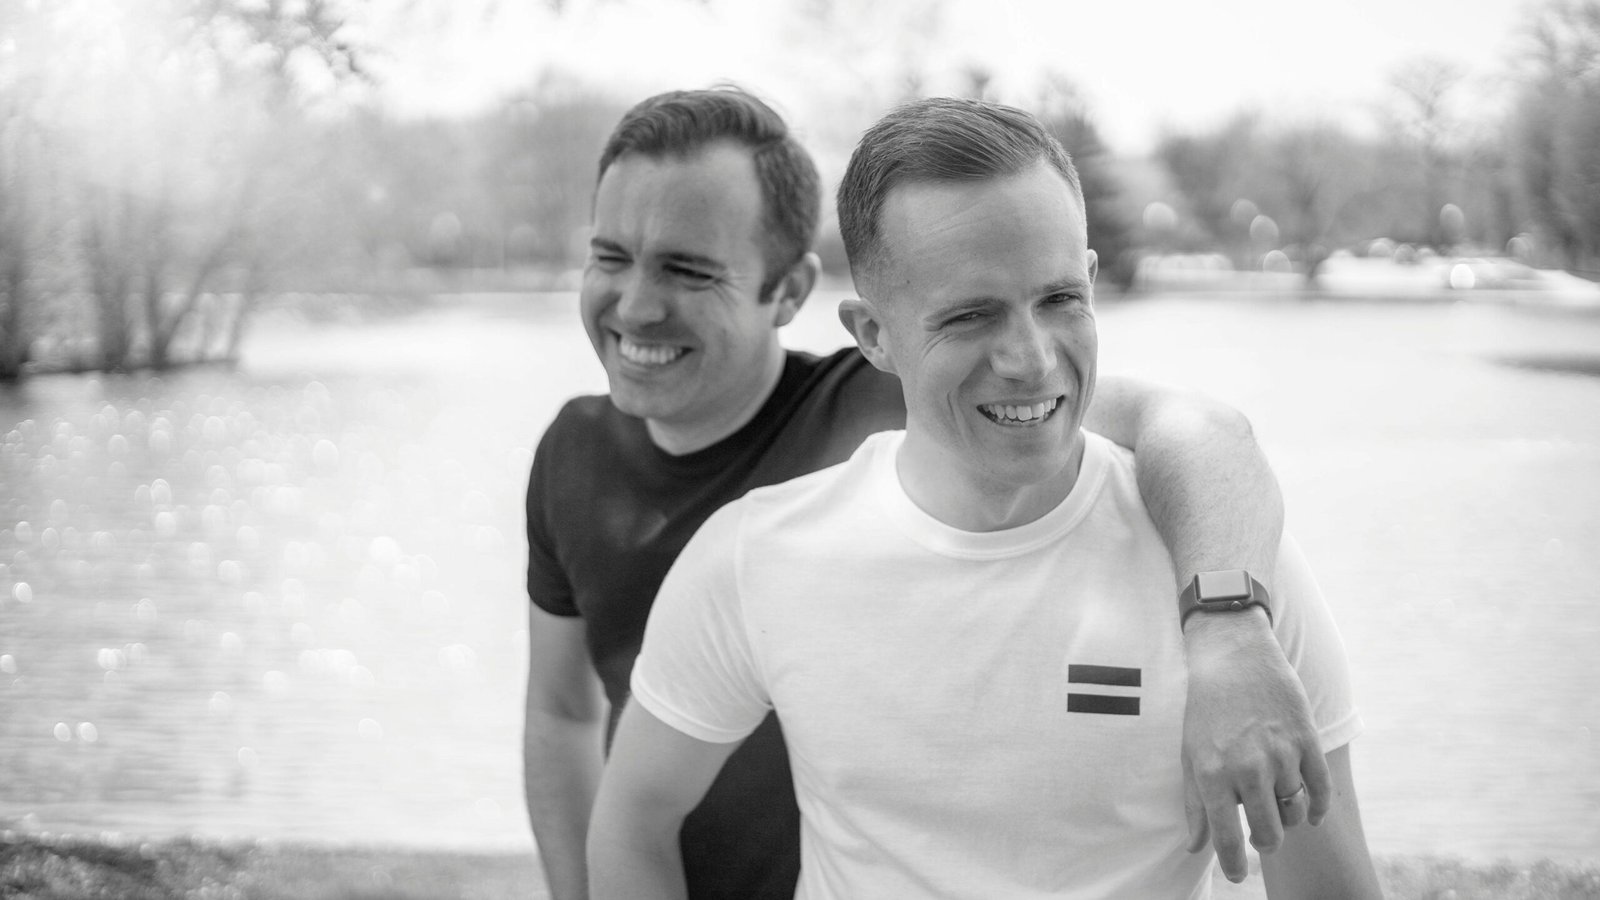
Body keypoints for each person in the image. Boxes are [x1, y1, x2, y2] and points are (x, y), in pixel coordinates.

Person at [526, 88, 1330, 900]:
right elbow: (568, 724)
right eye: (610, 256)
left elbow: (1189, 427)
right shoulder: (591, 463)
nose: (1027, 359)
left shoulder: (899, 401)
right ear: (874, 334)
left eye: (688, 268)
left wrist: (1229, 622)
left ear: (788, 294)